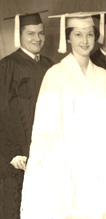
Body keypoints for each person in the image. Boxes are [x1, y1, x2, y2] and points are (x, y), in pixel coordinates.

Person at [20, 12, 106, 219]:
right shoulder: (56, 74)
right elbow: (44, 130)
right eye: (78, 34)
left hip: (96, 170)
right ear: (68, 37)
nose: (85, 40)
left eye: (90, 34)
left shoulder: (103, 77)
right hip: (66, 171)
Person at [0, 10, 53, 219]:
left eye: (40, 33)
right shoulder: (8, 66)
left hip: (45, 156)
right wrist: (10, 153)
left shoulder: (50, 65)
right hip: (18, 159)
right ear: (19, 35)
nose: (37, 38)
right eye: (31, 33)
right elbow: (1, 112)